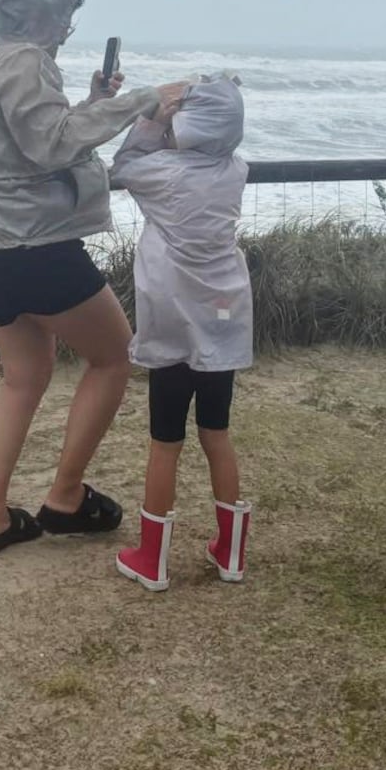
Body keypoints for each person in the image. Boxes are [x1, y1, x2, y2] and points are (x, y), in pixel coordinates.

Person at [0, 0, 191, 557]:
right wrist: (139, 101)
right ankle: (66, 497)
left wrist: (93, 103)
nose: (64, 29)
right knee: (114, 357)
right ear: (42, 11)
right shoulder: (25, 60)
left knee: (24, 379)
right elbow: (51, 147)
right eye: (61, 16)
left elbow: (20, 139)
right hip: (34, 248)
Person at [110, 75, 254, 592]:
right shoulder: (234, 169)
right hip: (224, 316)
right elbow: (214, 142)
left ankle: (153, 557)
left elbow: (122, 165)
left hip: (174, 324)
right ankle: (231, 552)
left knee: (165, 443)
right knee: (217, 434)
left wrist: (152, 116)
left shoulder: (164, 173)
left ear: (186, 127)